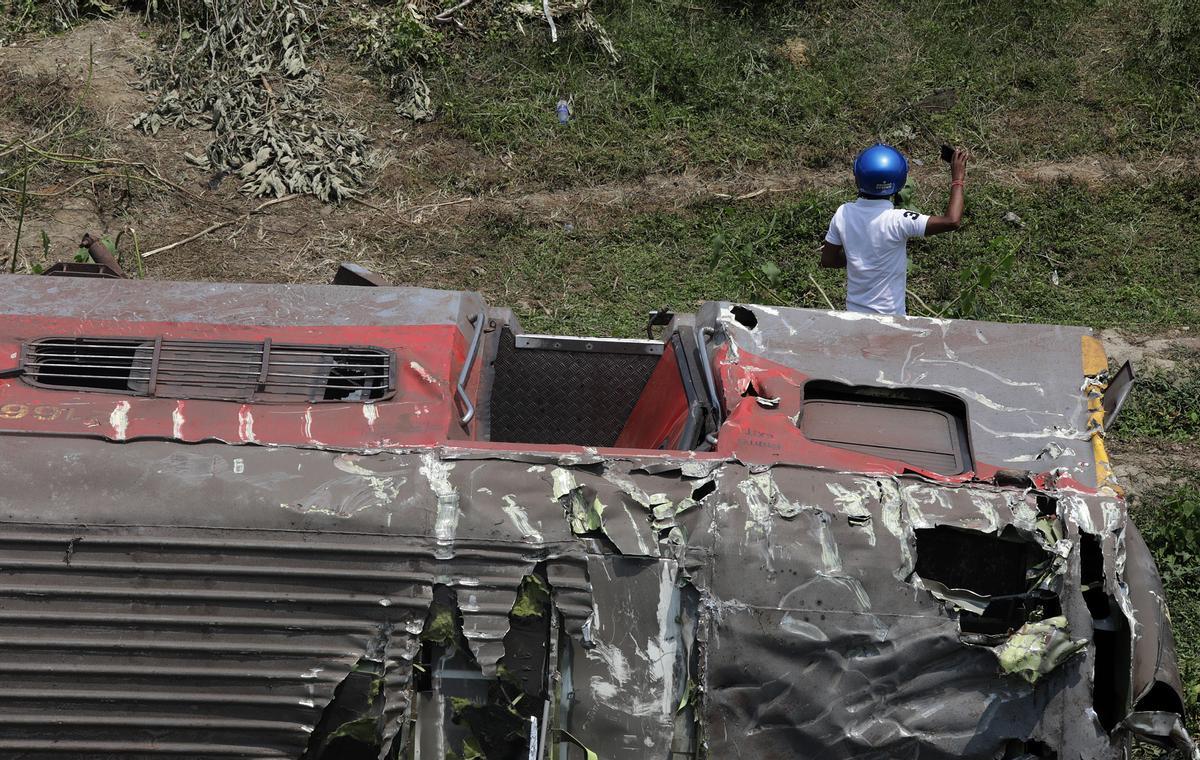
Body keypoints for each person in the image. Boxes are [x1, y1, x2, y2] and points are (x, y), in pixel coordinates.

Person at [819, 144, 969, 316]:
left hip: (854, 317)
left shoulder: (843, 213)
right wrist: (958, 178)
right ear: (900, 180)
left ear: (857, 176)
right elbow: (952, 221)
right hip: (891, 319)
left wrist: (857, 256)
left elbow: (828, 260)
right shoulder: (899, 220)